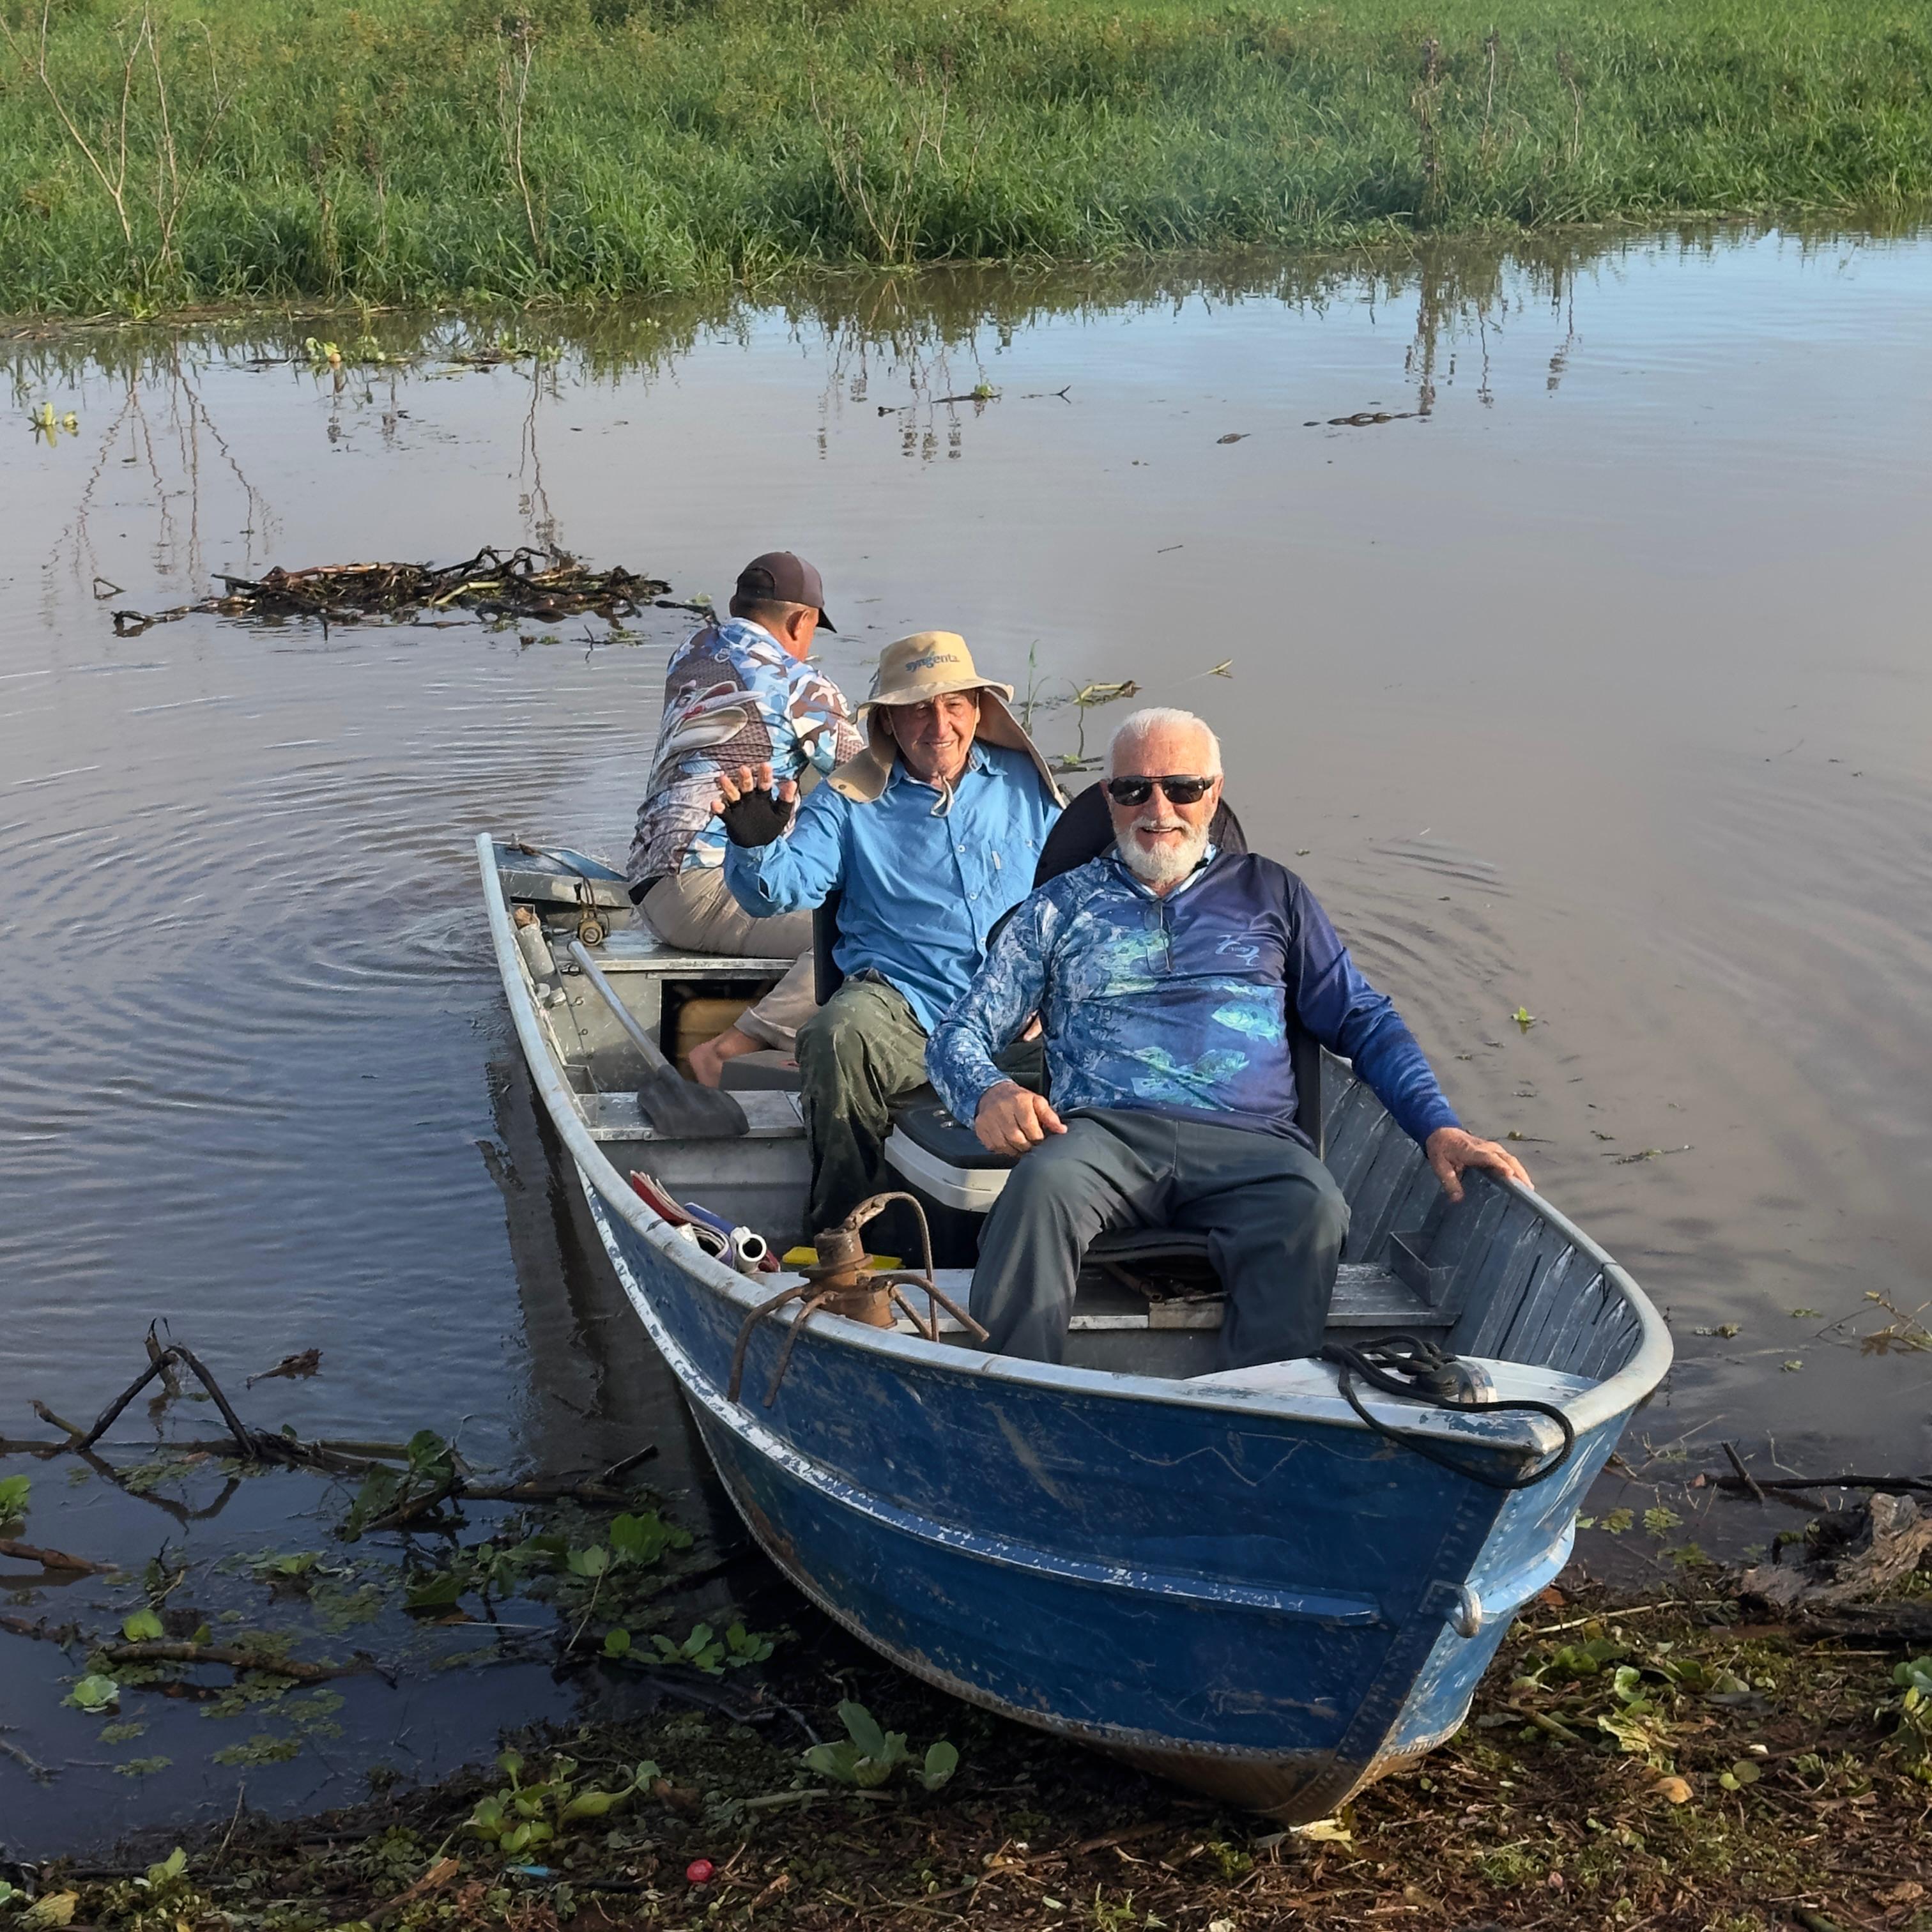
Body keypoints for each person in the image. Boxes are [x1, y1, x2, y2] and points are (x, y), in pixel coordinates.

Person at [926, 706, 1532, 1371]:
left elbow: (1364, 1019)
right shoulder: (1058, 908)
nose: (1158, 809)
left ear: (1213, 794)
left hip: (1253, 1145)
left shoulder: (1273, 894)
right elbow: (959, 1032)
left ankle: (1262, 1416)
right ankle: (1012, 1402)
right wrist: (988, 1091)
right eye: (1134, 790)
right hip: (1101, 1140)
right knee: (1037, 1190)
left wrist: (1439, 1128)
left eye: (1181, 787)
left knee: (1313, 1207)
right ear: (1108, 799)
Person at [714, 632, 1064, 1231]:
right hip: (906, 1008)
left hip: (1021, 1009)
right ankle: (842, 1236)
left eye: (954, 705)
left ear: (978, 710)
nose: (940, 725)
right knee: (834, 1035)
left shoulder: (1025, 784)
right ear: (889, 724)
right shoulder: (848, 799)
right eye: (919, 709)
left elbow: (1079, 892)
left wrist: (1055, 991)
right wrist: (756, 842)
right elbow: (782, 890)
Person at [624, 552, 862, 1085]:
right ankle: (729, 1051)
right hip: (707, 889)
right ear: (802, 622)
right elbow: (870, 781)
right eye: (810, 631)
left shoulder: (691, 652)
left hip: (650, 880)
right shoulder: (802, 685)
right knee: (861, 929)